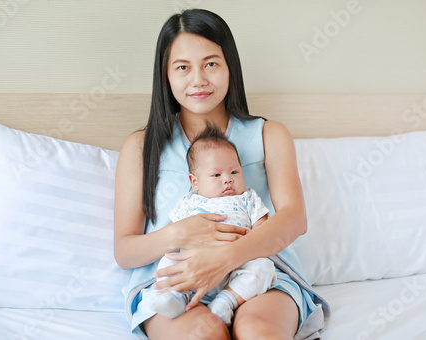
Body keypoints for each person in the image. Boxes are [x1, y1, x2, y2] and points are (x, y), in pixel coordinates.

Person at [114, 8, 330, 340]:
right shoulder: (141, 147)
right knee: (205, 333)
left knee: (258, 331)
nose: (198, 80)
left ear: (230, 66)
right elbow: (125, 251)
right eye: (182, 67)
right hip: (176, 280)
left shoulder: (269, 134)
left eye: (211, 64)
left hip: (261, 273)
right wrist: (180, 234)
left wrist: (226, 257)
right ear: (166, 75)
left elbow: (294, 219)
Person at [145, 124, 277, 326]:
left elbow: (264, 231)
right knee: (168, 260)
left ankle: (226, 301)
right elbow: (171, 235)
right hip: (193, 266)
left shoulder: (247, 197)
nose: (228, 180)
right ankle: (176, 297)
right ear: (195, 182)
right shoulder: (189, 202)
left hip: (236, 266)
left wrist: (247, 244)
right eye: (217, 175)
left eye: (234, 172)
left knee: (265, 267)